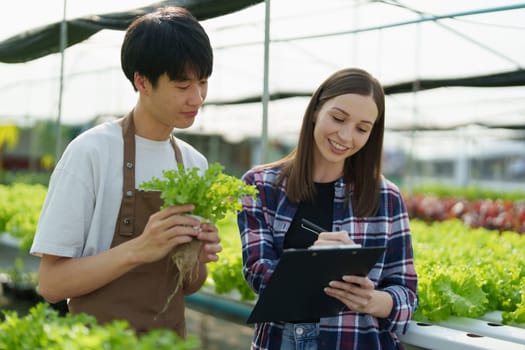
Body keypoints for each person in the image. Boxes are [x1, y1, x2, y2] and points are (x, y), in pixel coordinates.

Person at [30, 6, 222, 337]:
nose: (197, 97)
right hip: (98, 341)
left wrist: (198, 257)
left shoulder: (194, 164)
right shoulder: (91, 153)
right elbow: (51, 284)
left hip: (168, 341)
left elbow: (189, 285)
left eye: (203, 82)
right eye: (182, 85)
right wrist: (139, 249)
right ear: (142, 82)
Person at [237, 68, 418, 349]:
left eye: (362, 128)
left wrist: (373, 300)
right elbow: (257, 272)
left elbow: (406, 292)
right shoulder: (260, 185)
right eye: (338, 118)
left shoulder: (387, 197)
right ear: (315, 111)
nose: (346, 136)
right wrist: (312, 263)